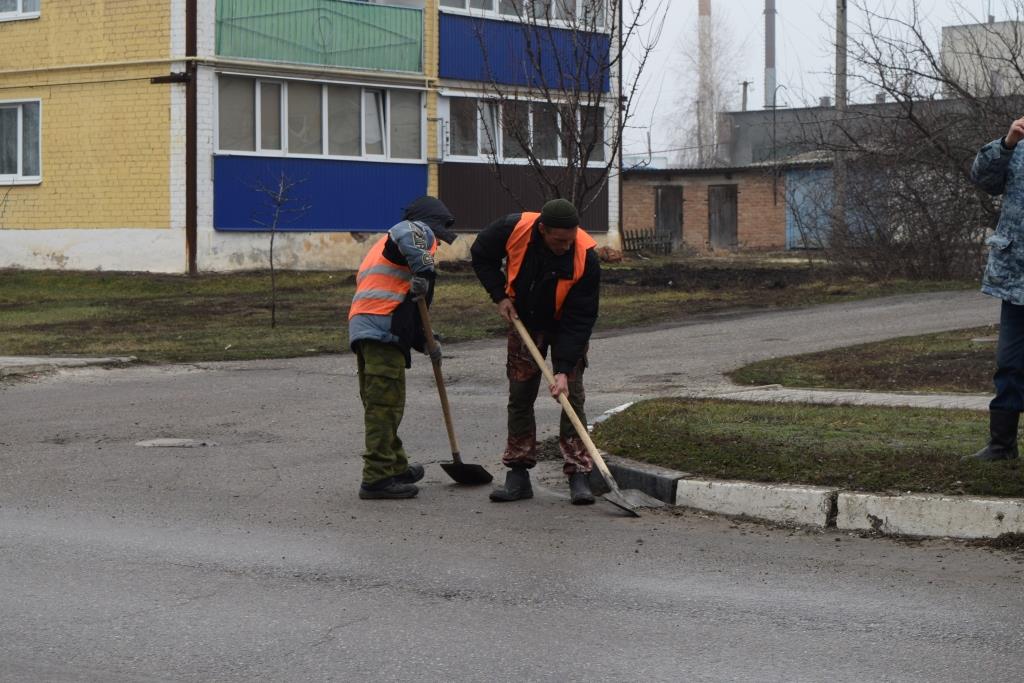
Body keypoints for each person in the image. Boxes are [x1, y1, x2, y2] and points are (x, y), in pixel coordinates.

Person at [470, 198, 601, 504]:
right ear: (542, 230)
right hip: (525, 320)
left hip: (566, 323)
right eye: (559, 240)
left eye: (570, 240)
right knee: (520, 394)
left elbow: (581, 318)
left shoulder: (586, 257)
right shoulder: (512, 228)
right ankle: (518, 472)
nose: (566, 247)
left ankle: (579, 473)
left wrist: (564, 369)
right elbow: (480, 255)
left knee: (572, 395)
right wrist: (499, 295)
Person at [349, 196, 457, 497]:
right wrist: (424, 269)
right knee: (384, 407)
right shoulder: (409, 232)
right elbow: (405, 231)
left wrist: (426, 341)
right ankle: (377, 477)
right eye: (438, 235)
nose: (438, 246)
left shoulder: (391, 253)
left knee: (384, 404)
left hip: (376, 327)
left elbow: (407, 305)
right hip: (380, 328)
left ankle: (394, 465)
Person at [965, 116, 1024, 462]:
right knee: (1010, 364)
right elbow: (983, 178)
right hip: (1018, 281)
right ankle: (1002, 446)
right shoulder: (1015, 149)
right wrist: (1007, 143)